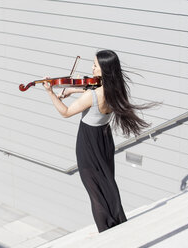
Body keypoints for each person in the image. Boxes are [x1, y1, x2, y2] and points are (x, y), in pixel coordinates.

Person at [43, 49, 157, 233]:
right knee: (107, 183)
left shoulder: (93, 95)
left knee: (95, 192)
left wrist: (50, 93)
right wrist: (73, 89)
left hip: (88, 142)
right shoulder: (116, 88)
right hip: (104, 139)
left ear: (104, 69)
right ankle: (117, 221)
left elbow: (65, 112)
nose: (92, 68)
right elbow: (94, 88)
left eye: (95, 65)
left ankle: (106, 230)